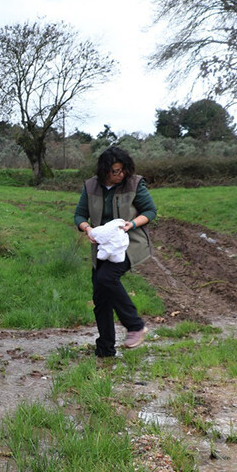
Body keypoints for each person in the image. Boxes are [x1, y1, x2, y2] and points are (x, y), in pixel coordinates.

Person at [74, 146, 157, 357]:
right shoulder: (91, 186)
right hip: (102, 246)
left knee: (106, 279)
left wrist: (132, 224)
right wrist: (88, 229)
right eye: (114, 171)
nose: (119, 175)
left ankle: (135, 326)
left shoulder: (135, 183)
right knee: (101, 298)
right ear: (104, 170)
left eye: (122, 170)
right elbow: (79, 216)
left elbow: (150, 211)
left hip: (129, 243)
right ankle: (105, 349)